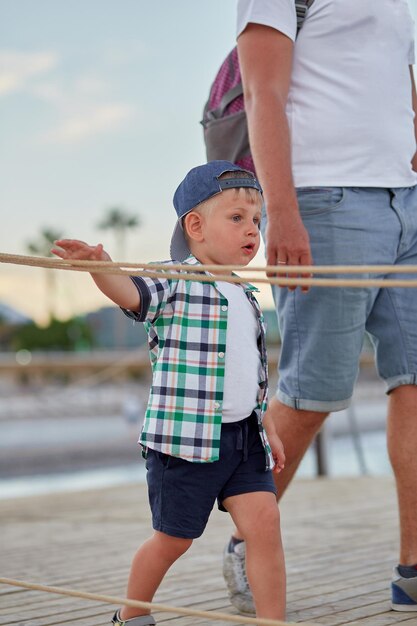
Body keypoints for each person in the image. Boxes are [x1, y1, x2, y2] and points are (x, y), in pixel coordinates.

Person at [222, 0, 417, 615]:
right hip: (326, 198)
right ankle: (244, 543)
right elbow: (262, 92)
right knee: (312, 393)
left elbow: (396, 79)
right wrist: (280, 210)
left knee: (415, 384)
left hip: (408, 199)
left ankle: (413, 570)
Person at [51, 160, 287, 625]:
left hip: (243, 439)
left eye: (257, 221)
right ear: (195, 226)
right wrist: (102, 269)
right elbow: (130, 293)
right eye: (237, 218)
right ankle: (132, 614)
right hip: (185, 444)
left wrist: (269, 425)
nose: (252, 231)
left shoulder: (247, 295)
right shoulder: (174, 278)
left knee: (266, 527)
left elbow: (252, 374)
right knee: (174, 539)